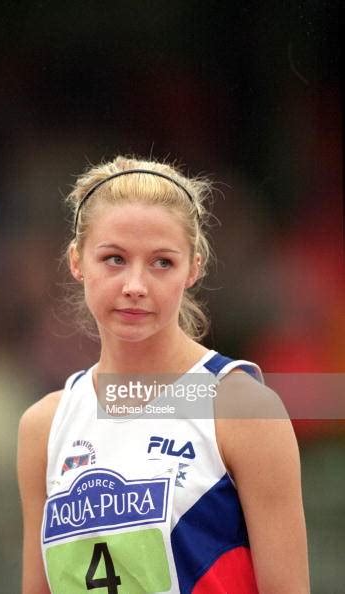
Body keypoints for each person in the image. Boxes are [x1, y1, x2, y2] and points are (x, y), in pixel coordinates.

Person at [17, 156, 310, 594]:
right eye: (114, 258)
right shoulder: (44, 426)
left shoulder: (239, 408)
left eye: (162, 263)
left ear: (194, 267)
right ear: (77, 261)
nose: (135, 284)